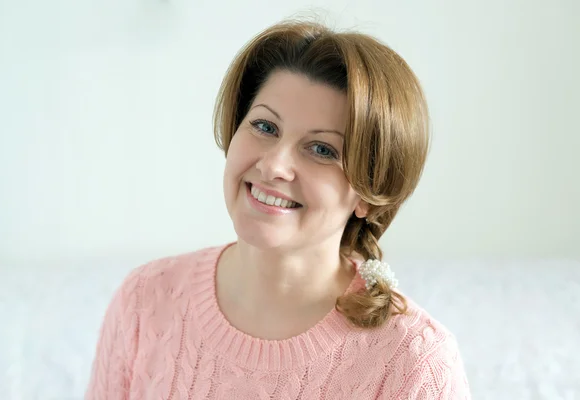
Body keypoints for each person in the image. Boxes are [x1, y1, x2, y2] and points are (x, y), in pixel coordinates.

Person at [86, 19, 471, 399]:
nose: (273, 165)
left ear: (369, 194)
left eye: (322, 149)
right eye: (265, 127)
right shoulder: (144, 301)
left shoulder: (415, 365)